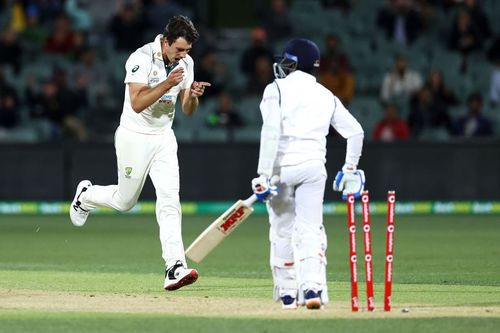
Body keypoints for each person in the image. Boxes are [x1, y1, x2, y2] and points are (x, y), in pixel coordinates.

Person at [69, 16, 210, 291]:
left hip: (164, 138)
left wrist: (192, 95)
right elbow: (136, 103)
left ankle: (174, 266)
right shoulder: (141, 57)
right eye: (180, 49)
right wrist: (169, 84)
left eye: (188, 51)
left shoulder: (187, 63)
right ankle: (86, 196)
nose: (184, 55)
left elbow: (187, 110)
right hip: (134, 137)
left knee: (170, 200)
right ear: (166, 41)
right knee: (125, 202)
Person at [250, 39, 365, 310]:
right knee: (311, 229)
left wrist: (263, 174)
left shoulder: (275, 89)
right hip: (314, 168)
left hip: (281, 169)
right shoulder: (326, 94)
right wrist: (350, 169)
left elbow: (270, 132)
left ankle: (288, 294)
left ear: (291, 62)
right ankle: (313, 287)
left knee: (282, 229)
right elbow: (356, 131)